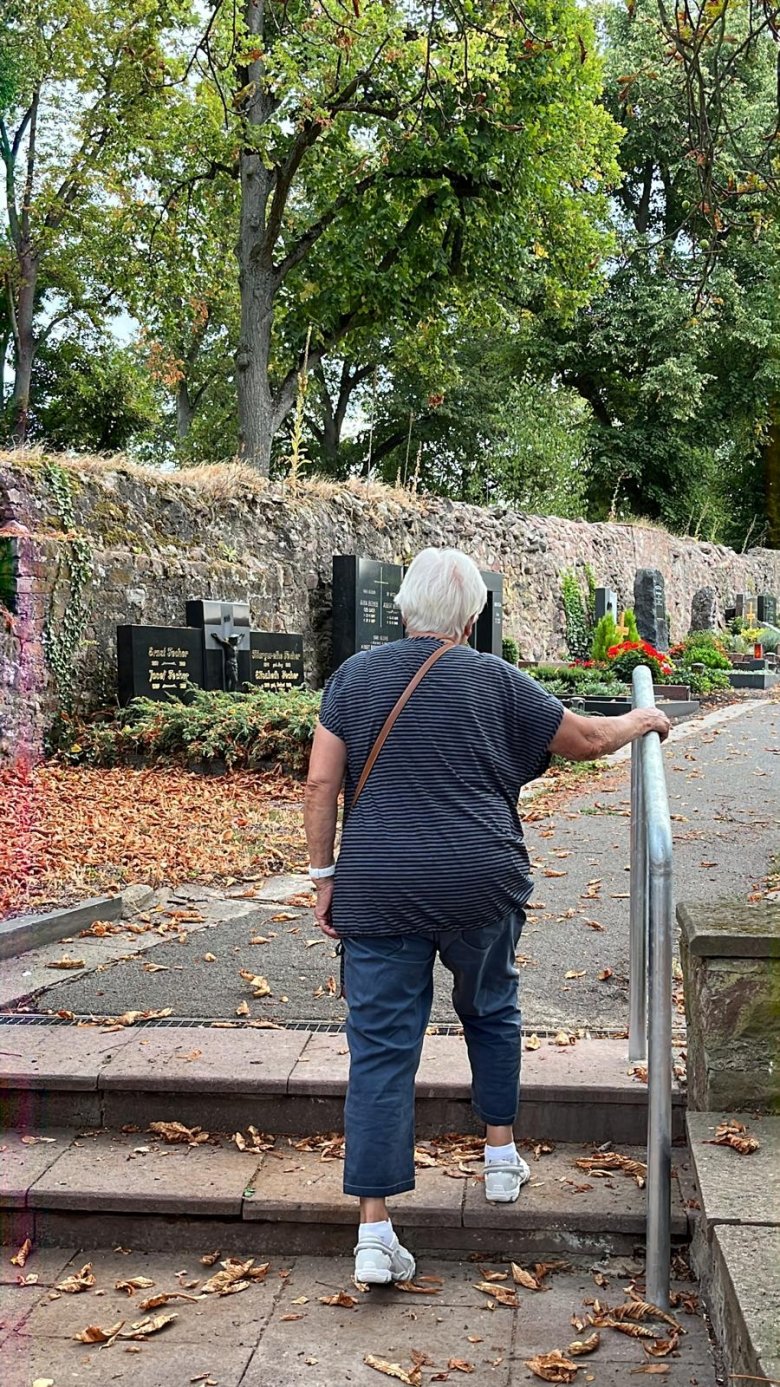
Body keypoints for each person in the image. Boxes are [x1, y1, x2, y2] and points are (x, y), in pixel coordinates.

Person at [304, 547, 670, 1287]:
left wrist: (323, 877)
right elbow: (587, 740)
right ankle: (501, 1156)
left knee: (379, 1050)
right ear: (470, 620)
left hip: (379, 888)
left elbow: (321, 781)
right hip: (481, 880)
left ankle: (374, 1231)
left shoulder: (353, 678)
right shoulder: (497, 680)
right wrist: (644, 717)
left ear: (404, 609)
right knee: (492, 1006)